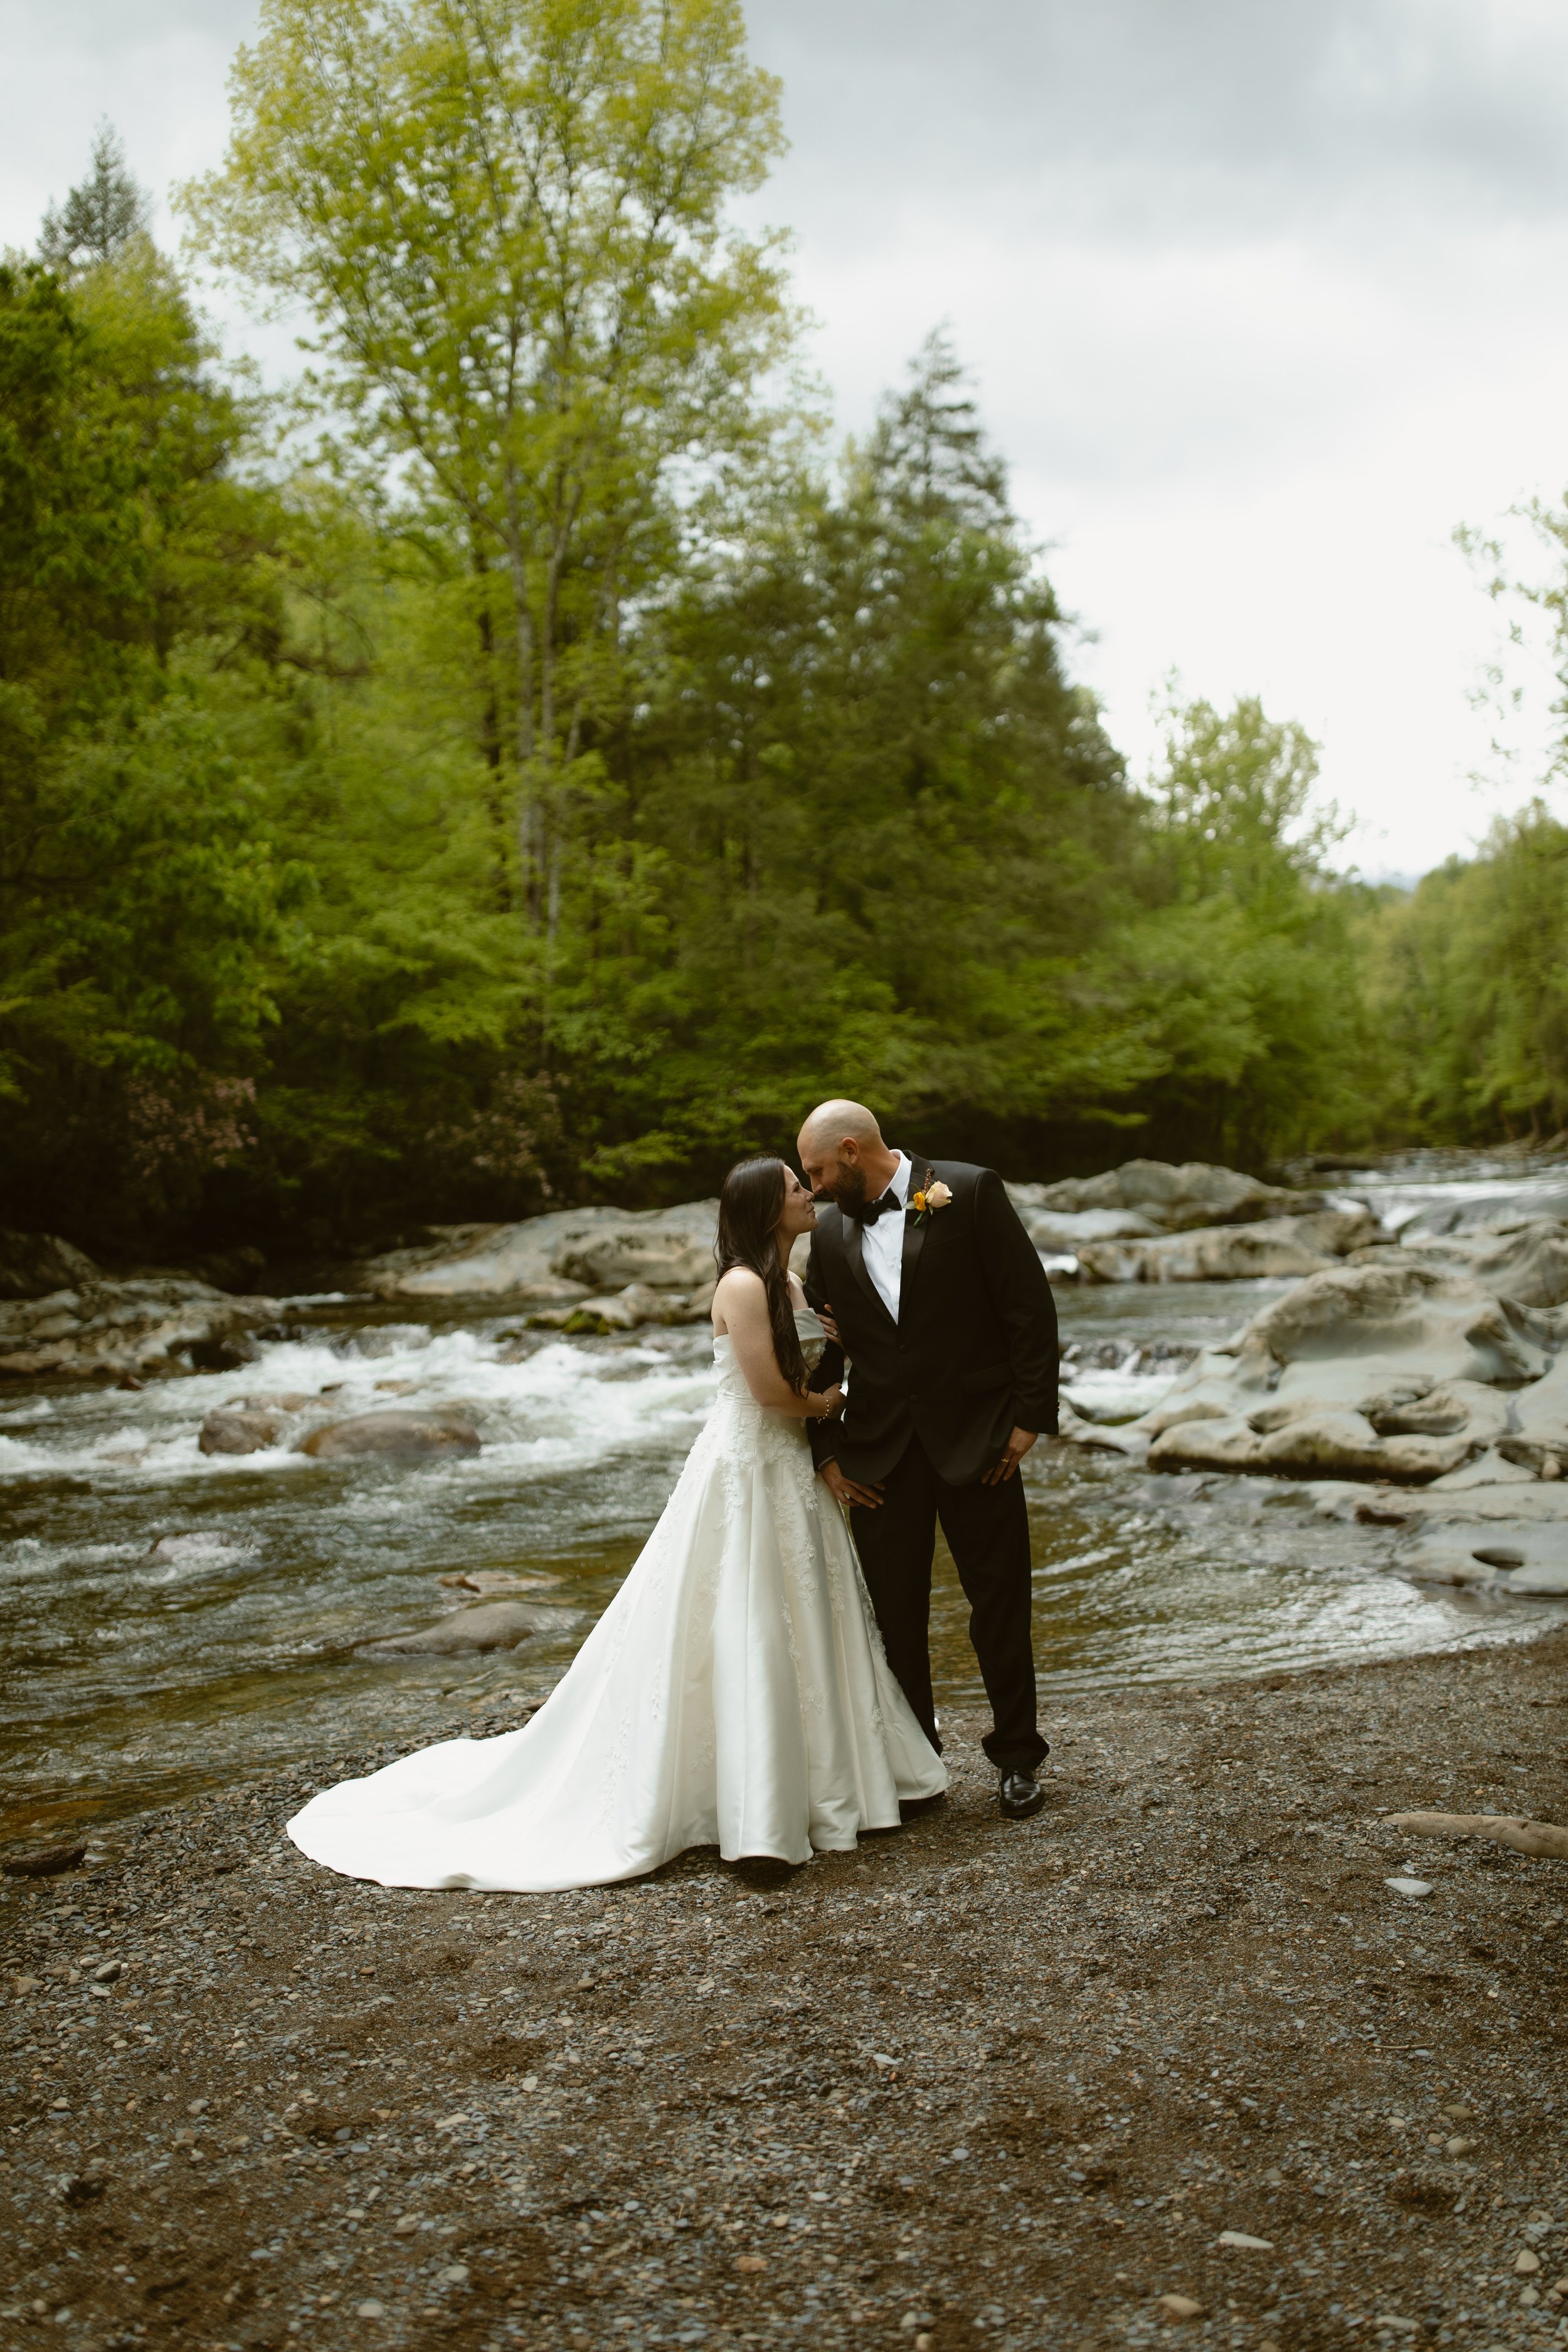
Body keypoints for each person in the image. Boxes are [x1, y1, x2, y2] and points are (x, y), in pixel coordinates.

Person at [286, 1156, 945, 1892]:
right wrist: (835, 1406)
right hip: (746, 1466)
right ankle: (753, 1811)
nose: (809, 1193)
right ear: (767, 1210)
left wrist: (841, 1352)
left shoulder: (787, 1283)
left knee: (804, 1616)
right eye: (796, 1188)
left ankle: (824, 1782)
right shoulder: (738, 1284)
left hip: (787, 1471)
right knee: (744, 1617)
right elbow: (767, 1395)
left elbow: (803, 1371)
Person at [795, 1099, 1059, 1820]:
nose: (811, 1187)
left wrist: (1029, 1419)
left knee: (999, 1604)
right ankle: (917, 1771)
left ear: (851, 1151)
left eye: (817, 1170)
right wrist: (826, 1452)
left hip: (981, 1440)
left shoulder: (970, 1191)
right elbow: (823, 1355)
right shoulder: (823, 1234)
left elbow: (1028, 1311)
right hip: (878, 1453)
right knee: (895, 1617)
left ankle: (1016, 1758)